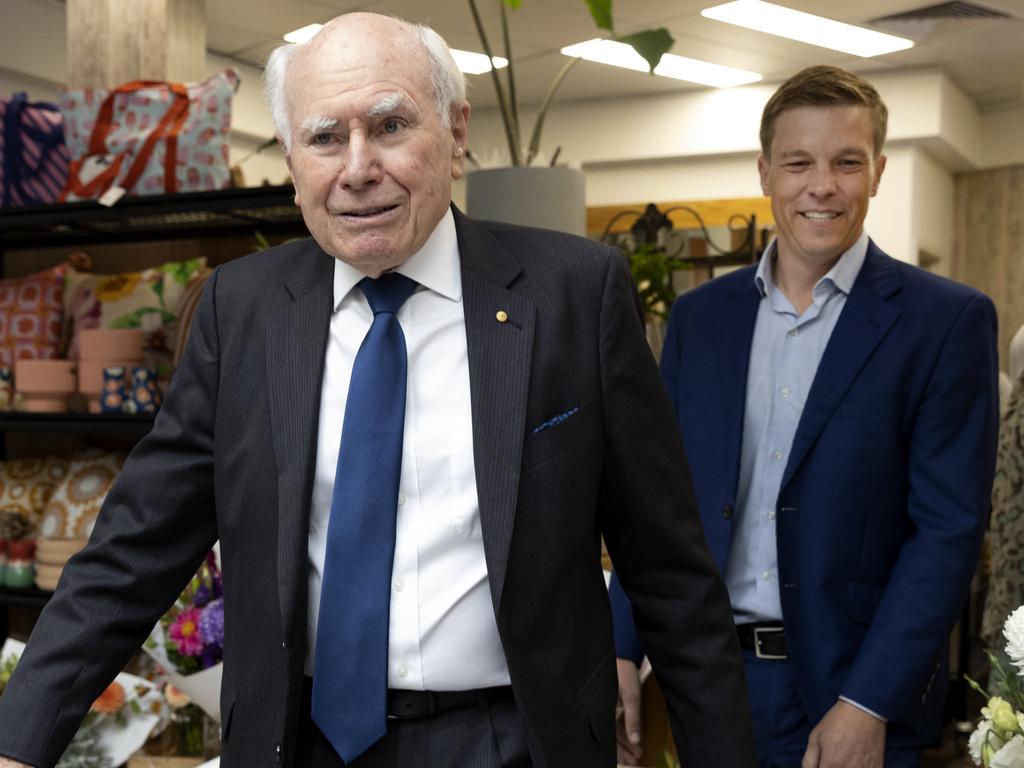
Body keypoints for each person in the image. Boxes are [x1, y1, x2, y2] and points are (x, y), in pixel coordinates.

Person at [0, 13, 754, 768]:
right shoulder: (243, 310)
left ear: (456, 133)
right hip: (296, 741)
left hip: (511, 739)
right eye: (326, 137)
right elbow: (133, 549)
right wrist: (18, 743)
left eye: (390, 125)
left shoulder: (573, 297)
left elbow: (669, 576)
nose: (357, 168)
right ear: (293, 160)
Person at [610, 65, 999, 768]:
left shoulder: (945, 322)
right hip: (703, 684)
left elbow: (947, 531)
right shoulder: (701, 320)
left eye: (846, 162)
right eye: (798, 163)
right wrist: (618, 645)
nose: (822, 185)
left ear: (877, 172)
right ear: (765, 173)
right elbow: (656, 505)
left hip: (849, 694)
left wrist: (868, 701)